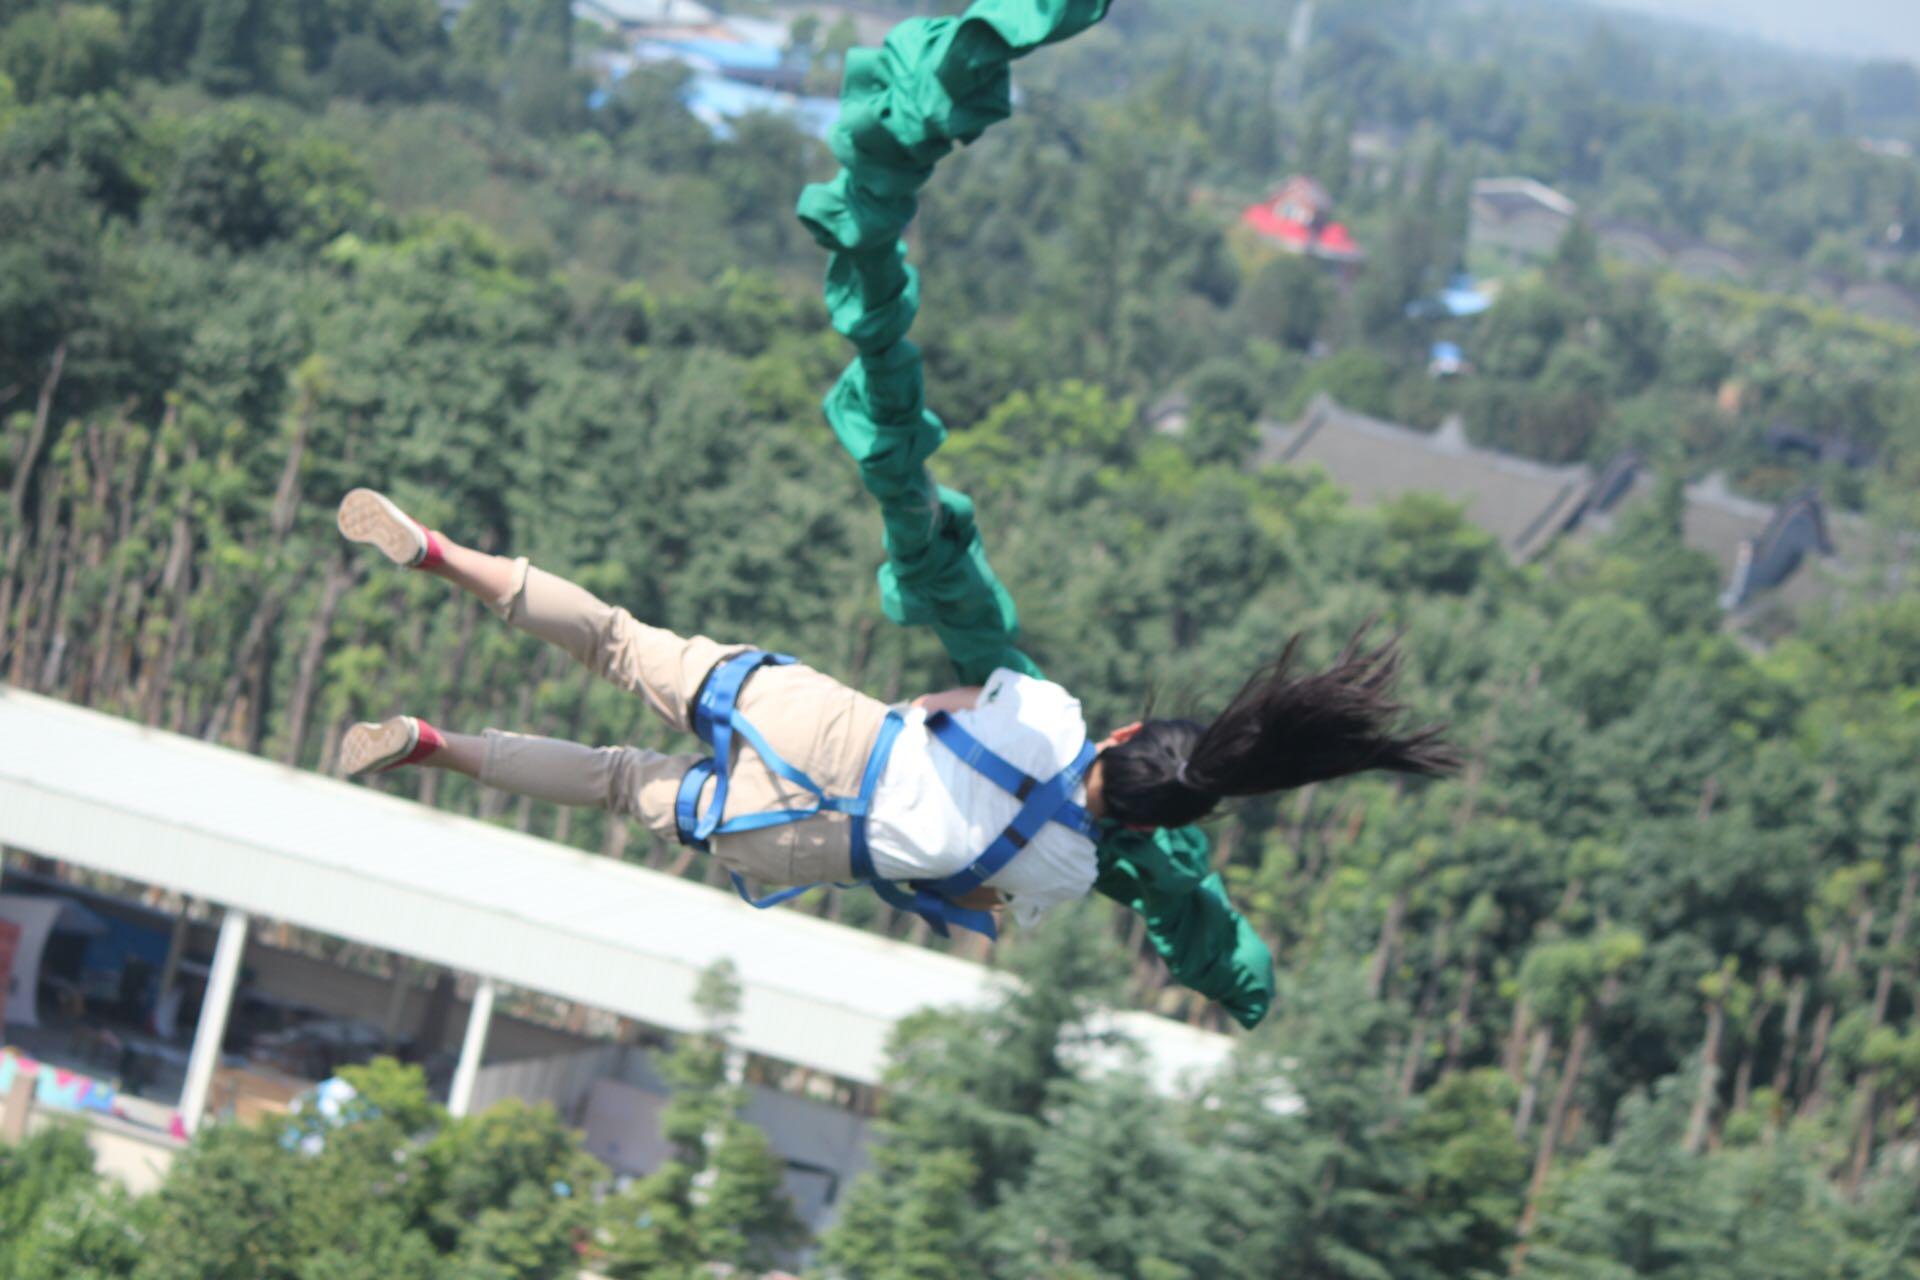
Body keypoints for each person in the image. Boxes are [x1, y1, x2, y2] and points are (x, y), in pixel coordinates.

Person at [336, 487, 1459, 935]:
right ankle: (432, 746)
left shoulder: (1054, 714)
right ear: (1154, 825)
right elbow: (966, 889)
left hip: (830, 726)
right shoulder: (1068, 875)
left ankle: (438, 550)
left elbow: (940, 699)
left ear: (1124, 734)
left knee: (623, 641)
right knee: (615, 777)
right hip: (820, 836)